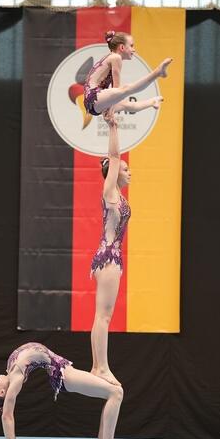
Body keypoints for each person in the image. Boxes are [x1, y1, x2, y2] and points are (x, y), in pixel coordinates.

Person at [0, 342, 125, 439]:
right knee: (116, 392)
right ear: (2, 393)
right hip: (64, 376)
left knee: (114, 392)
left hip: (63, 369)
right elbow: (7, 415)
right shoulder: (16, 378)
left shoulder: (11, 369)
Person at [89, 116, 131, 387]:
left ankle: (98, 366)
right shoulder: (110, 192)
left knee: (102, 316)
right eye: (125, 169)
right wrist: (113, 126)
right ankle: (101, 367)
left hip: (109, 257)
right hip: (109, 257)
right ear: (113, 173)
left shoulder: (118, 196)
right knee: (103, 316)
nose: (129, 172)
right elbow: (115, 157)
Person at [84, 30, 171, 119]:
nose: (134, 50)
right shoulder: (115, 57)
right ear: (122, 47)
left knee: (127, 105)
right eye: (131, 46)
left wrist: (111, 107)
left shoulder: (111, 57)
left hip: (93, 103)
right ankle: (157, 73)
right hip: (93, 97)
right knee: (125, 89)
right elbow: (116, 88)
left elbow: (114, 90)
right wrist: (111, 106)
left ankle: (152, 102)